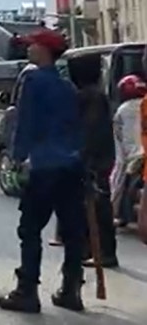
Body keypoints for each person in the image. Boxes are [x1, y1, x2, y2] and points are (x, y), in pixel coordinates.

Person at [0, 29, 86, 314]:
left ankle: (27, 291)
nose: (28, 49)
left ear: (44, 50)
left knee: (31, 229)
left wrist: (16, 157)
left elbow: (26, 122)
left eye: (32, 45)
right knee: (72, 230)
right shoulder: (68, 87)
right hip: (72, 166)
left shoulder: (33, 81)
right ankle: (71, 290)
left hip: (45, 166)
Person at [69, 59, 118, 269]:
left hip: (94, 161)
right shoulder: (94, 95)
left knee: (98, 207)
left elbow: (90, 131)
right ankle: (95, 249)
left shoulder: (90, 97)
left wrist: (84, 157)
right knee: (96, 207)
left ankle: (104, 252)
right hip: (99, 158)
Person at [111, 75, 145, 227]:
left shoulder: (122, 110)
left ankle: (112, 211)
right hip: (142, 153)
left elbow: (119, 136)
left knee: (118, 175)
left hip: (132, 155)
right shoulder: (143, 104)